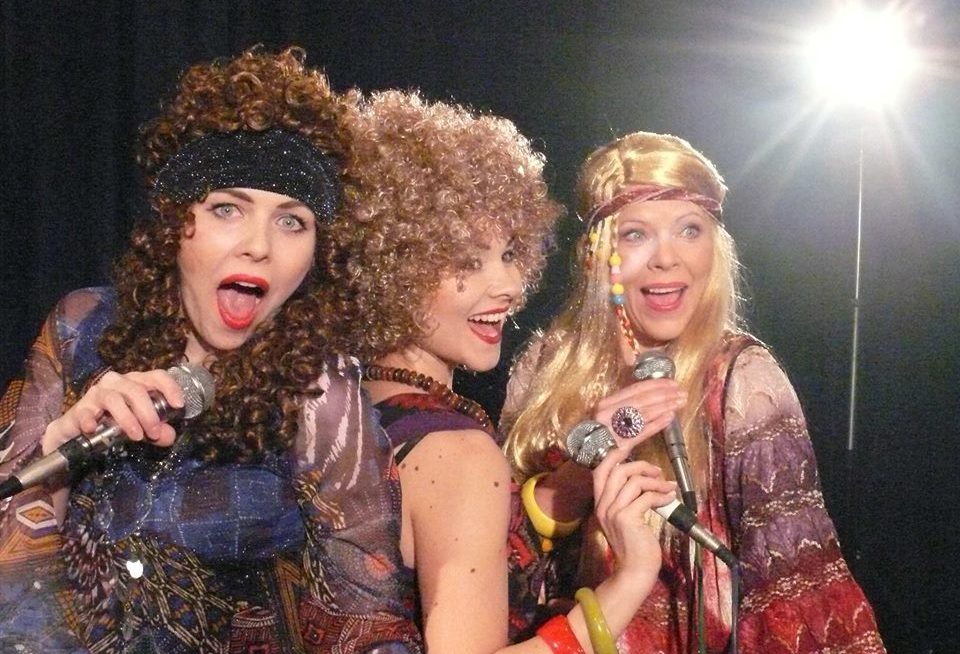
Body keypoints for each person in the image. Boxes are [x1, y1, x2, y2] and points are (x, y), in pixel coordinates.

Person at [0, 48, 421, 653]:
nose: (259, 246)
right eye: (228, 209)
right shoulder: (80, 328)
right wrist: (60, 457)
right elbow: (11, 589)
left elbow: (373, 623)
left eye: (292, 221)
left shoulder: (318, 390)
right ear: (176, 221)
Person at [501, 131, 887, 653]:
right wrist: (581, 472)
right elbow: (491, 565)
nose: (667, 258)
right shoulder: (545, 368)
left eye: (689, 230)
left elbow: (794, 587)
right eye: (636, 234)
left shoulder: (742, 379)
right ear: (597, 254)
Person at [326, 90, 680, 654]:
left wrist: (582, 470)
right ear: (392, 266)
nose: (509, 287)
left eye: (510, 253)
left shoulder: (342, 416)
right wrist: (630, 580)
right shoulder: (457, 450)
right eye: (468, 262)